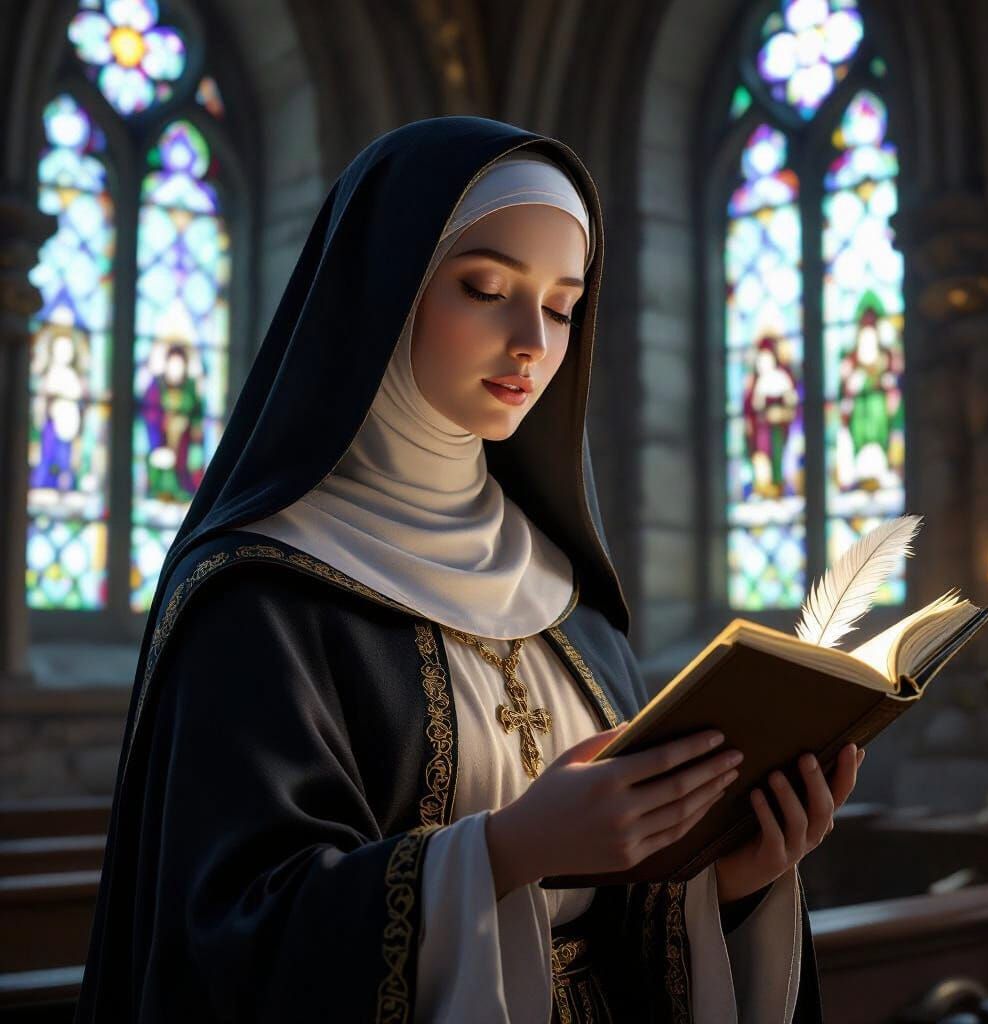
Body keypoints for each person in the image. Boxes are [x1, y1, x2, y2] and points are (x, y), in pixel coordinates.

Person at [74, 115, 863, 1023]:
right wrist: (503, 851)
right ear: (387, 291)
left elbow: (612, 916)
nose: (533, 340)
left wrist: (729, 882)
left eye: (564, 306)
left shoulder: (570, 598)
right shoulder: (259, 596)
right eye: (487, 288)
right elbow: (232, 942)